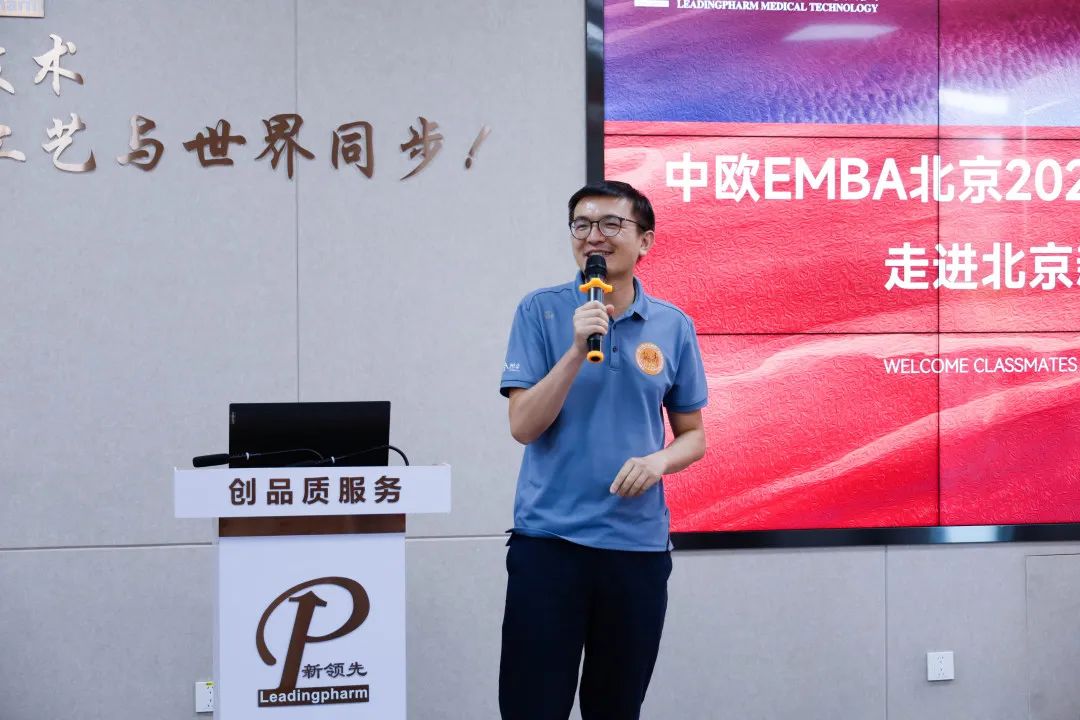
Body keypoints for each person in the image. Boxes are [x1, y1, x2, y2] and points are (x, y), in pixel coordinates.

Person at [498, 180, 709, 720]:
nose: (594, 236)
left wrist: (659, 461)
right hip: (549, 544)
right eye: (582, 224)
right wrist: (576, 350)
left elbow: (693, 435)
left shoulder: (673, 326)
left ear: (645, 241)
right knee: (531, 708)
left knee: (615, 708)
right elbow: (523, 425)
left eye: (611, 224)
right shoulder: (541, 311)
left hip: (636, 550)